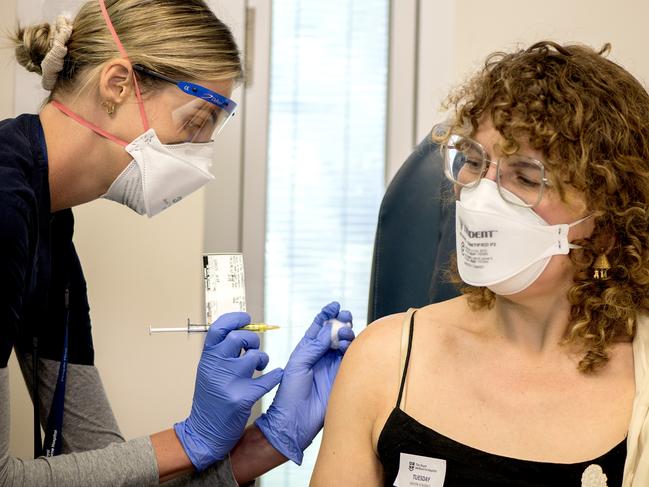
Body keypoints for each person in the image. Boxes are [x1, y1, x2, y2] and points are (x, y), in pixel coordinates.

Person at [0, 1, 355, 485]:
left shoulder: (49, 223)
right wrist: (191, 439)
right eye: (197, 119)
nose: (201, 155)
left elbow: (100, 462)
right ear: (117, 84)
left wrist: (268, 442)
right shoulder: (5, 204)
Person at [312, 41, 649, 486]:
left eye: (525, 177)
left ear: (606, 221)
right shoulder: (383, 359)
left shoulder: (641, 378)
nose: (480, 195)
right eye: (473, 161)